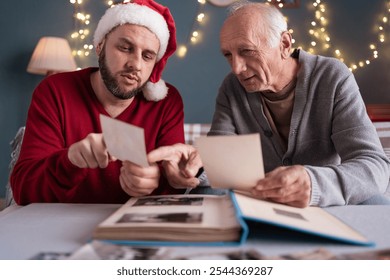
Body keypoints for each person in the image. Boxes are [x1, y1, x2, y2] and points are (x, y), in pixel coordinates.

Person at [146, 1, 390, 208]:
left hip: (326, 202)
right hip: (261, 205)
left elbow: (374, 167)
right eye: (228, 55)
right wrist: (195, 167)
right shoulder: (232, 88)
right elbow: (222, 165)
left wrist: (313, 182)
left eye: (246, 51)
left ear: (284, 44)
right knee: (206, 199)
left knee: (378, 203)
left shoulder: (332, 76)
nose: (236, 68)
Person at [10, 0, 185, 205]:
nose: (135, 65)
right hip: (58, 224)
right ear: (100, 46)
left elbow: (174, 190)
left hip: (131, 227)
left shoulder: (167, 102)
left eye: (147, 56)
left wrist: (155, 181)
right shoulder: (54, 91)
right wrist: (70, 160)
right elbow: (24, 191)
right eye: (125, 48)